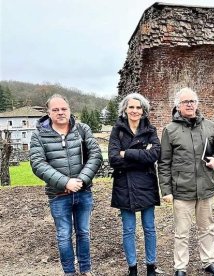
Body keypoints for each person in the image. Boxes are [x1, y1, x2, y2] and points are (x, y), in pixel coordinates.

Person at [29, 94, 102, 276]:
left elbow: (95, 155)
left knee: (83, 233)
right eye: (55, 109)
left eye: (64, 109)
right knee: (63, 236)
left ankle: (85, 270)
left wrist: (82, 180)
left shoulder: (82, 129)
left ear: (69, 110)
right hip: (58, 195)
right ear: (48, 112)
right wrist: (66, 182)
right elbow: (38, 164)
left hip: (83, 192)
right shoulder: (39, 135)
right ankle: (69, 272)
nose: (60, 112)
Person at [158, 87, 214, 276]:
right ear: (178, 106)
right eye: (185, 102)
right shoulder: (170, 130)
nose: (189, 104)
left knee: (207, 228)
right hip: (182, 190)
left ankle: (209, 261)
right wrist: (166, 190)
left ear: (197, 104)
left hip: (205, 187)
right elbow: (164, 162)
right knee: (181, 232)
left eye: (192, 101)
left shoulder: (210, 127)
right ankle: (180, 266)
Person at [108, 93, 161, 276]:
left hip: (146, 184)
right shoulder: (117, 130)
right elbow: (113, 159)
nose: (135, 111)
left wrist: (126, 153)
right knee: (128, 230)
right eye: (131, 107)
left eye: (138, 107)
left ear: (143, 110)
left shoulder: (150, 130)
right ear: (125, 109)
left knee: (149, 228)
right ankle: (132, 267)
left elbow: (154, 155)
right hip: (125, 185)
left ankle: (151, 266)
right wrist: (140, 154)